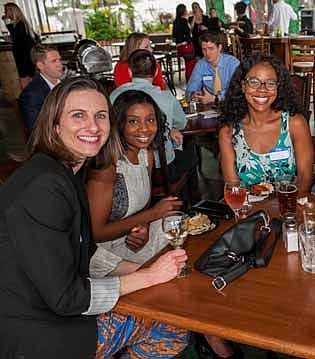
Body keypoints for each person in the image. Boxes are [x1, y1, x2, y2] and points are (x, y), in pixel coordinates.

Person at [0, 76, 189, 358]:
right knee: (171, 327)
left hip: (42, 315)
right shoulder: (45, 187)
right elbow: (67, 298)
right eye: (78, 116)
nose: (92, 126)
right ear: (54, 123)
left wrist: (143, 270)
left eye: (100, 116)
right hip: (35, 334)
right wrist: (148, 277)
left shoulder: (61, 173)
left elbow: (84, 254)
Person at [87, 90, 180, 275]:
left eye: (150, 120)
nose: (144, 129)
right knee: (160, 273)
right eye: (133, 121)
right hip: (103, 252)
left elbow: (142, 209)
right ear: (119, 124)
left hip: (129, 239)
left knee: (176, 223)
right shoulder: (108, 166)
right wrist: (152, 215)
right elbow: (95, 232)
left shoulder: (147, 155)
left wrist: (141, 228)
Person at [219, 55, 313, 195]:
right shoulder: (228, 132)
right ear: (243, 86)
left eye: (270, 83)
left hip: (288, 207)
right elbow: (233, 187)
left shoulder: (294, 123)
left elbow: (305, 179)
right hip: (249, 211)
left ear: (278, 87)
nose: (262, 89)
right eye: (254, 82)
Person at [111, 49, 194, 184]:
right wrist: (169, 127)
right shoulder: (165, 97)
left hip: (123, 168)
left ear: (130, 71)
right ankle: (188, 197)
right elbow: (182, 123)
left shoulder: (115, 95)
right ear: (156, 72)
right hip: (161, 170)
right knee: (190, 152)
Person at [18, 44, 64, 130]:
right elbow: (36, 129)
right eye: (54, 61)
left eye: (59, 60)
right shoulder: (31, 95)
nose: (60, 65)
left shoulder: (63, 84)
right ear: (40, 66)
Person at [186, 31, 240, 104]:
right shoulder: (201, 64)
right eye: (204, 49)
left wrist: (215, 98)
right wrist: (194, 95)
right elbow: (191, 88)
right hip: (209, 105)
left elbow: (237, 91)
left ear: (219, 47)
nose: (207, 53)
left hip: (231, 104)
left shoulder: (233, 63)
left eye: (211, 48)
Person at [2, 2, 38, 89]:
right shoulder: (22, 23)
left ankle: (28, 97)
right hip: (26, 53)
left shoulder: (18, 24)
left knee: (25, 77)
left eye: (6, 10)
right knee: (29, 75)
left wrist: (6, 21)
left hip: (23, 53)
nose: (4, 13)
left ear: (11, 11)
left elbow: (16, 38)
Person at [173, 3, 197, 82]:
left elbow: (174, 35)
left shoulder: (175, 21)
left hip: (179, 47)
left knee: (188, 65)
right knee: (190, 65)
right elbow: (189, 31)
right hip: (186, 46)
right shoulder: (183, 20)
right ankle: (190, 83)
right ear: (183, 11)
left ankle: (190, 82)